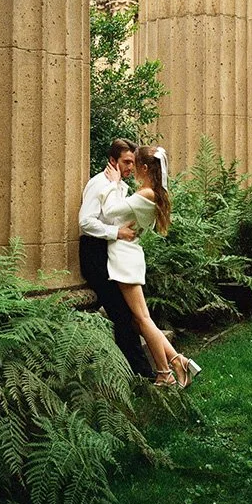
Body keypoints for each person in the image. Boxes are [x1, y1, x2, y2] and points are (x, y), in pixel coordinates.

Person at [100, 145, 201, 388]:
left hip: (124, 257)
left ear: (145, 167)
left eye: (134, 163)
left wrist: (113, 183)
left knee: (143, 320)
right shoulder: (151, 193)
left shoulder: (146, 194)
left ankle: (165, 373)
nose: (131, 168)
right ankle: (179, 362)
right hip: (129, 256)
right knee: (141, 319)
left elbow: (109, 210)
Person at [79, 139, 154, 378]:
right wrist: (117, 232)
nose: (131, 167)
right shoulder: (98, 184)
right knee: (122, 314)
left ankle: (143, 371)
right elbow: (85, 222)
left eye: (133, 162)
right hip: (94, 254)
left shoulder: (120, 187)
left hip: (112, 253)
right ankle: (144, 374)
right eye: (126, 162)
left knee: (131, 314)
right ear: (113, 161)